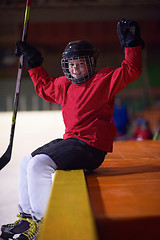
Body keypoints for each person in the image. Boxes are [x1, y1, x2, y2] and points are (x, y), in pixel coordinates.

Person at [0, 19, 144, 240]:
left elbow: (131, 70)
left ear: (91, 63)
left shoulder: (102, 80)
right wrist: (34, 62)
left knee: (39, 164)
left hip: (91, 146)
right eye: (71, 65)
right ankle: (27, 218)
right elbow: (46, 87)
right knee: (25, 162)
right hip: (72, 141)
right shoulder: (65, 85)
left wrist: (131, 46)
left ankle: (43, 221)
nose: (75, 69)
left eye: (80, 63)